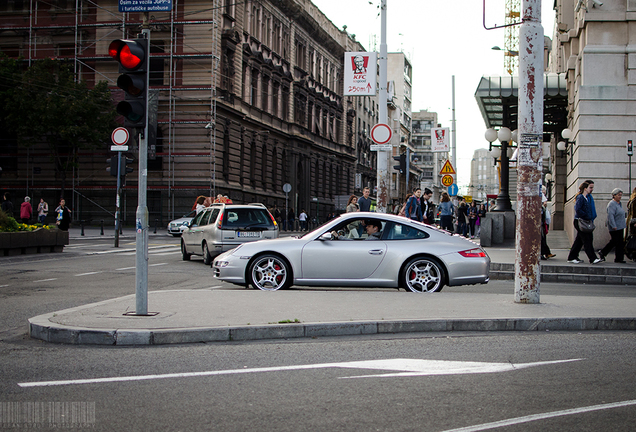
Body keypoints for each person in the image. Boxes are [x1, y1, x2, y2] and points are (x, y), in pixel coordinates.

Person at [567, 181, 602, 264]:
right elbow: (578, 209)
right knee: (587, 240)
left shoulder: (587, 198)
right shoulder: (580, 197)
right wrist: (587, 216)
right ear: (585, 188)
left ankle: (572, 256)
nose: (592, 189)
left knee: (579, 240)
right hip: (581, 221)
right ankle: (592, 258)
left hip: (584, 221)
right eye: (590, 187)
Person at [599, 188, 627, 263]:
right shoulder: (612, 204)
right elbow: (610, 216)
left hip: (620, 226)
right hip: (615, 226)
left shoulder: (619, 203)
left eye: (621, 195)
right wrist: (613, 225)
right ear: (614, 195)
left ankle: (619, 258)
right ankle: (603, 252)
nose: (620, 197)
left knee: (620, 242)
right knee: (614, 241)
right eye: (618, 195)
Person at [541, 189, 555, 260]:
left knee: (542, 238)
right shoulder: (542, 205)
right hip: (541, 222)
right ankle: (545, 253)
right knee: (541, 238)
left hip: (542, 221)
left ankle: (546, 253)